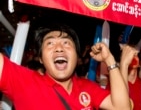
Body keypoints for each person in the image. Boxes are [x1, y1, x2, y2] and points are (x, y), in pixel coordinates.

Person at [0, 24, 131, 110]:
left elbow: (123, 108)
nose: (59, 48)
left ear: (76, 56)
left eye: (66, 43)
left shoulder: (87, 87)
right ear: (40, 58)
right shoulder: (24, 83)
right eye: (50, 43)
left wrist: (109, 60)